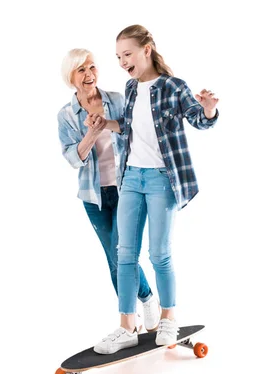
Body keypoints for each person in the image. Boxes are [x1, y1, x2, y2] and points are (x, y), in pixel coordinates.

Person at [88, 25, 220, 354]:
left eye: (127, 54)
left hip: (162, 179)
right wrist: (107, 125)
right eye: (118, 57)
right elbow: (130, 128)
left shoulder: (173, 86)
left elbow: (199, 120)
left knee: (159, 254)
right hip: (131, 178)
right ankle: (126, 327)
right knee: (125, 256)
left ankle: (168, 318)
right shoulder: (131, 88)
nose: (122, 61)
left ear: (147, 49)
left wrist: (208, 109)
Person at [57, 48, 161, 334]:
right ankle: (133, 317)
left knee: (122, 254)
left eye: (92, 67)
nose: (89, 74)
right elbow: (72, 159)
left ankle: (147, 302)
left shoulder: (117, 100)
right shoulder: (67, 115)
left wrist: (109, 124)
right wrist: (91, 132)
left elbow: (137, 133)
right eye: (81, 70)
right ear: (71, 77)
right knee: (113, 260)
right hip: (94, 197)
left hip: (126, 188)